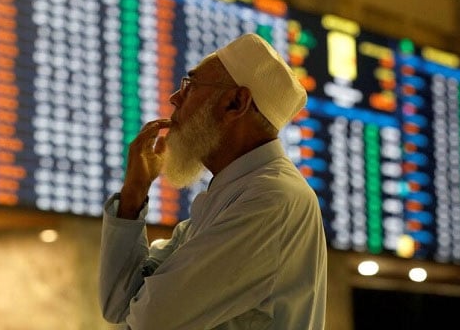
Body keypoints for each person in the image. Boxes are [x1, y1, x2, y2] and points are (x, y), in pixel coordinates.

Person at [99, 33, 327, 329]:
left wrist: (144, 301)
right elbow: (118, 306)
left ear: (235, 102)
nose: (174, 98)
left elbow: (153, 320)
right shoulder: (229, 195)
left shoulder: (271, 198)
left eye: (190, 86)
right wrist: (133, 196)